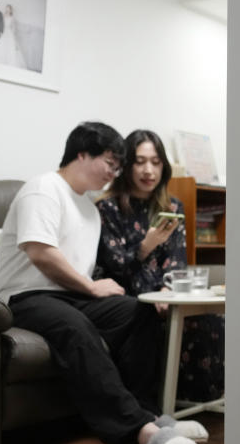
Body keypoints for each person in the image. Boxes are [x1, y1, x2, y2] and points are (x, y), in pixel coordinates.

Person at [0, 122, 207, 444]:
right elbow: (41, 253)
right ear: (81, 154)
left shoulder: (90, 209)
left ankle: (146, 410)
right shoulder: (43, 188)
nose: (115, 171)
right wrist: (92, 288)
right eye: (111, 162)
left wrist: (98, 289)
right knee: (75, 327)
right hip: (24, 295)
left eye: (118, 165)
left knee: (139, 311)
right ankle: (138, 432)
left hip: (68, 295)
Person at [95, 129, 225, 403]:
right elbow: (115, 266)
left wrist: (168, 292)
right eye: (140, 161)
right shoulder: (108, 208)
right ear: (126, 165)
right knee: (149, 319)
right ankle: (164, 405)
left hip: (165, 296)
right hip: (125, 297)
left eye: (155, 162)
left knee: (212, 318)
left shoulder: (172, 207)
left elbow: (177, 261)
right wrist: (146, 246)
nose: (148, 170)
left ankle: (202, 402)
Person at [0, 4, 27, 69]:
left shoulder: (12, 18)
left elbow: (14, 28)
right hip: (3, 32)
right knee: (0, 46)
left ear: (10, 10)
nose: (7, 9)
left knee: (10, 47)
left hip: (9, 33)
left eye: (9, 8)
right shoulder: (3, 16)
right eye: (6, 8)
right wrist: (1, 31)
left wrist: (12, 35)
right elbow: (0, 24)